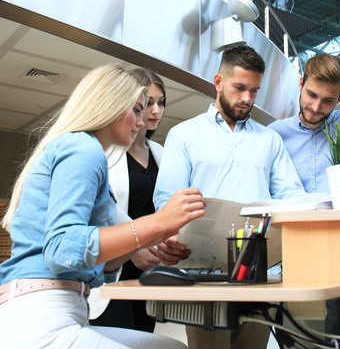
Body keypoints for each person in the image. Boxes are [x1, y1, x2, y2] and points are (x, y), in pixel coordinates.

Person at [0, 64, 205, 348]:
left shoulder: (81, 150)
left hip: (60, 309)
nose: (141, 120)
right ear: (111, 105)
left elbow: (100, 259)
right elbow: (62, 248)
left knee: (171, 346)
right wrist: (157, 223)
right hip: (40, 316)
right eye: (136, 109)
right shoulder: (84, 149)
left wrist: (154, 237)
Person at [154, 45, 305, 349]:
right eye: (239, 88)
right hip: (201, 273)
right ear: (218, 81)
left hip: (258, 275)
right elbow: (167, 202)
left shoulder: (270, 140)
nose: (247, 98)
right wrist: (167, 237)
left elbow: (291, 196)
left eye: (254, 90)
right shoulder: (183, 136)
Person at [268, 54, 340, 340]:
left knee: (337, 334)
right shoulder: (274, 136)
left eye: (328, 100)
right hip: (290, 252)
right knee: (291, 334)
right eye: (311, 95)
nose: (316, 107)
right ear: (301, 83)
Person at [89, 68, 189, 332]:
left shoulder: (162, 153)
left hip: (149, 271)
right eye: (148, 103)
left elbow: (166, 212)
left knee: (145, 336)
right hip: (115, 267)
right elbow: (99, 215)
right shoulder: (105, 153)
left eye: (162, 103)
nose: (155, 111)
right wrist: (133, 247)